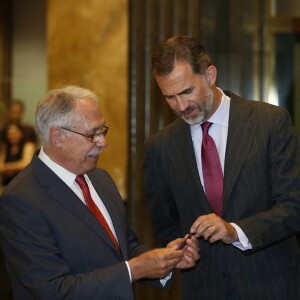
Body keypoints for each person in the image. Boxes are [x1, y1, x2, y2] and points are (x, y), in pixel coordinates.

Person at [0, 85, 199, 300]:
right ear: (57, 137)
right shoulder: (21, 199)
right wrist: (134, 269)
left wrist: (163, 259)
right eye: (92, 134)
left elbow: (124, 248)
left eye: (102, 131)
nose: (102, 142)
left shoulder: (100, 179)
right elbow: (52, 291)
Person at [143, 35, 300, 300]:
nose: (181, 106)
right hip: (203, 290)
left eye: (186, 92)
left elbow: (293, 206)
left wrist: (234, 231)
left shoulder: (270, 122)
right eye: (169, 97)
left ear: (210, 75)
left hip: (273, 286)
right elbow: (166, 225)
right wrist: (182, 248)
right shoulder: (159, 147)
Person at [0, 121, 36, 187]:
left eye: (14, 133)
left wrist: (7, 167)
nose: (11, 136)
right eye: (9, 134)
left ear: (21, 133)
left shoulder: (28, 145)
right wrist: (16, 167)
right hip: (6, 184)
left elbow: (25, 164)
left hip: (23, 184)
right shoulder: (5, 147)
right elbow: (1, 167)